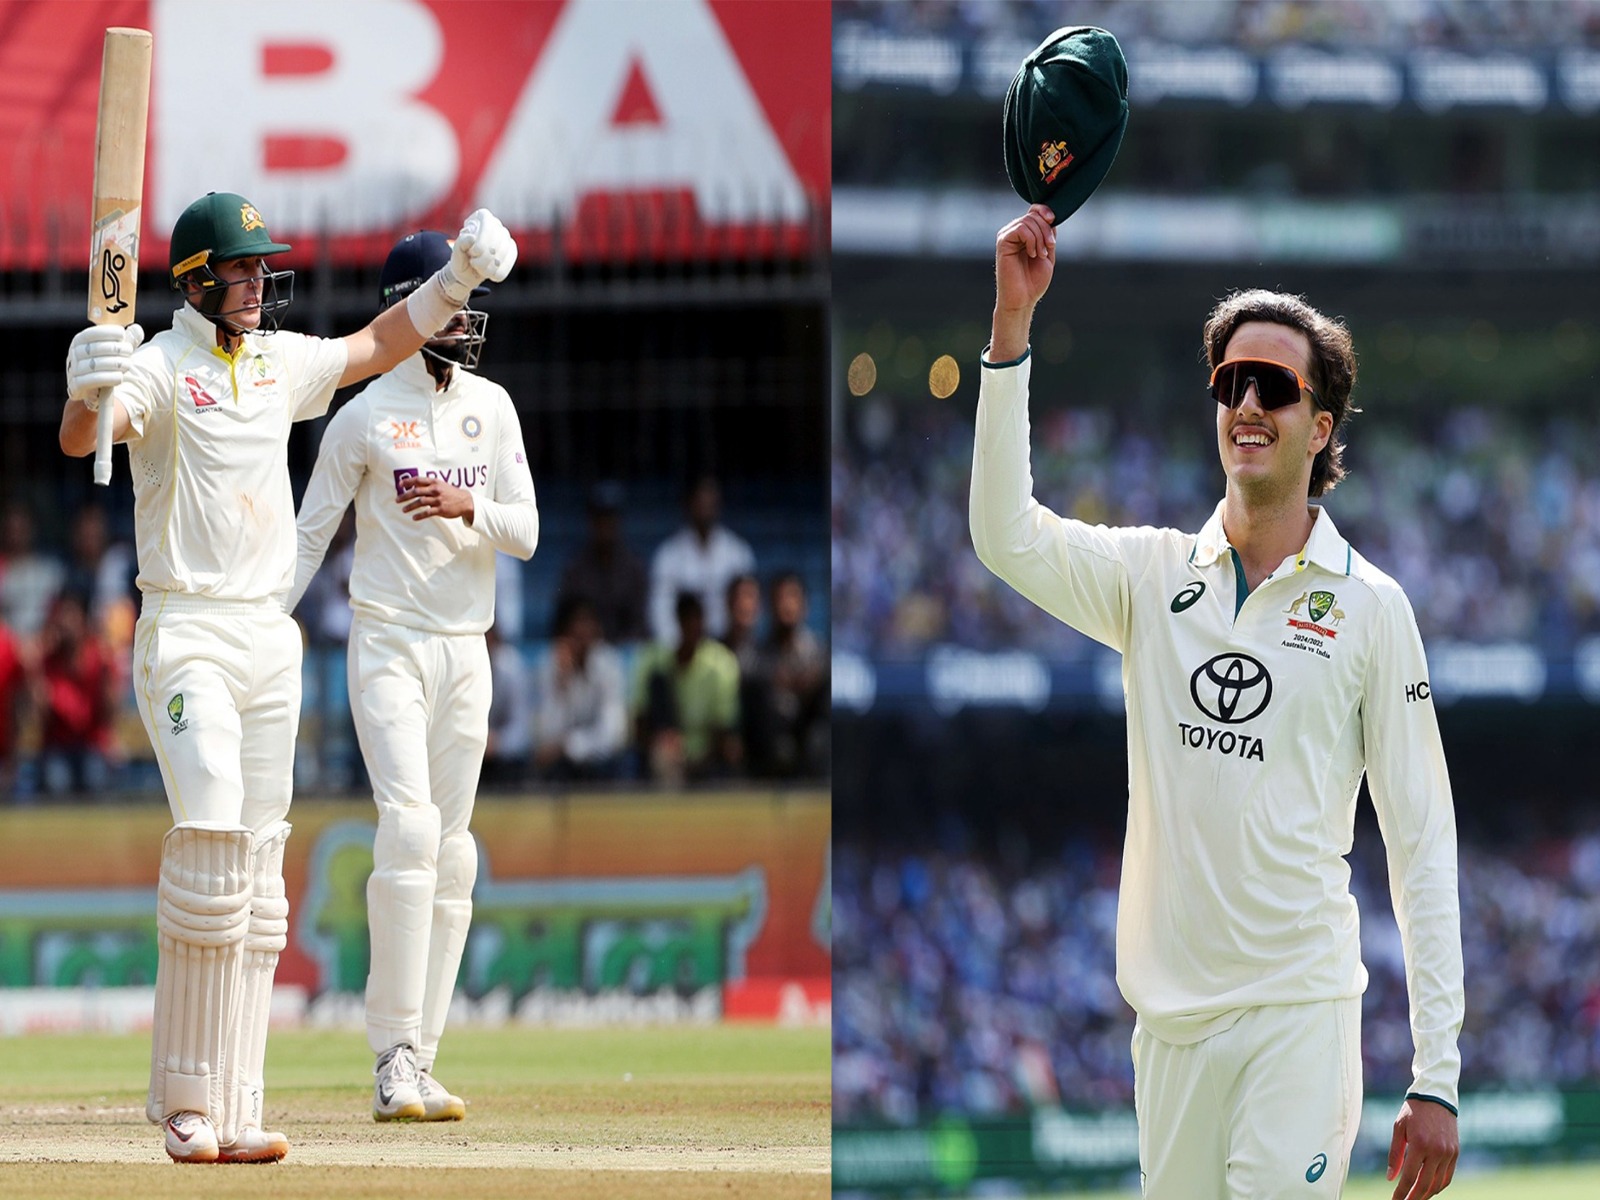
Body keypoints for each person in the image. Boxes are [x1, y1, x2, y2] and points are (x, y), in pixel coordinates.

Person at [969, 204, 1463, 1200]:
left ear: (1320, 427)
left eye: (1273, 386)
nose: (1246, 402)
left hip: (1299, 1018)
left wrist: (1436, 1073)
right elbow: (1002, 534)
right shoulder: (1151, 575)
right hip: (1170, 1033)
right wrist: (1012, 324)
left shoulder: (1372, 609)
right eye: (1230, 382)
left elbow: (1420, 842)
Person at [60, 192, 516, 1163]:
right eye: (244, 269)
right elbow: (83, 436)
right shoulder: (159, 364)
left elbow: (379, 342)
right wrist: (87, 385)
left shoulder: (277, 362)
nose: (260, 282)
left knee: (261, 875)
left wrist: (459, 277)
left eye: (264, 268)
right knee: (213, 838)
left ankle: (236, 1104)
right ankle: (186, 1103)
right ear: (196, 281)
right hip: (186, 627)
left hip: (269, 637)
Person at [288, 229, 537, 1124]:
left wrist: (470, 505)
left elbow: (527, 532)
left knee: (454, 852)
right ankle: (390, 1055)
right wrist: (256, 623)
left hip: (468, 646)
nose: (466, 320)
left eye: (471, 305)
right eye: (452, 303)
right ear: (411, 307)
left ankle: (423, 1059)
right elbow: (309, 536)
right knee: (410, 828)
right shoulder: (362, 415)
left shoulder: (493, 407)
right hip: (388, 640)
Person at [634, 591, 742, 784]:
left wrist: (700, 760)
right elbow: (640, 722)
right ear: (677, 621)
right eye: (686, 618)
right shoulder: (655, 664)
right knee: (662, 755)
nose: (692, 625)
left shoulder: (721, 664)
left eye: (696, 618)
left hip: (710, 753)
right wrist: (662, 741)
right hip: (670, 753)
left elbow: (723, 727)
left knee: (732, 751)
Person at [647, 476, 754, 644]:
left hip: (729, 644)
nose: (705, 507)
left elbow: (747, 606)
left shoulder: (738, 552)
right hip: (683, 645)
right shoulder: (668, 555)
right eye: (700, 501)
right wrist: (678, 647)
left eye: (710, 500)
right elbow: (661, 610)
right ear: (687, 504)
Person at [532, 596, 628, 781]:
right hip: (561, 766)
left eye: (587, 623)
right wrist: (563, 682)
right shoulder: (549, 664)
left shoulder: (609, 664)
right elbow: (545, 737)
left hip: (602, 763)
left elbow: (613, 733)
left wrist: (569, 746)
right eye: (576, 625)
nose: (582, 631)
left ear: (597, 628)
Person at [555, 481, 649, 644]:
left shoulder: (634, 568)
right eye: (600, 519)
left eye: (609, 518)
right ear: (591, 521)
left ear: (618, 521)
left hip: (625, 652)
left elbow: (640, 624)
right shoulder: (575, 568)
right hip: (584, 651)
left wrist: (614, 651)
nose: (605, 526)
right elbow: (561, 623)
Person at [758, 571, 828, 779]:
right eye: (780, 598)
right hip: (773, 744)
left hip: (811, 738)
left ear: (804, 605)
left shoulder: (819, 652)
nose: (786, 606)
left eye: (793, 597)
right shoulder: (758, 655)